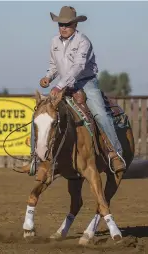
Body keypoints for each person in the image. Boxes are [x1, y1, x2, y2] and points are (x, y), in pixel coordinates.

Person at [26, 6, 126, 175]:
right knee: (40, 114)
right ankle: (35, 158)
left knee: (100, 113)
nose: (63, 27)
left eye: (67, 24)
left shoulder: (83, 41)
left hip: (85, 82)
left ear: (75, 25)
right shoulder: (54, 42)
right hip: (62, 84)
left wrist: (59, 86)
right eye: (60, 24)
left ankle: (115, 154)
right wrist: (48, 77)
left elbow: (78, 67)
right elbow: (54, 66)